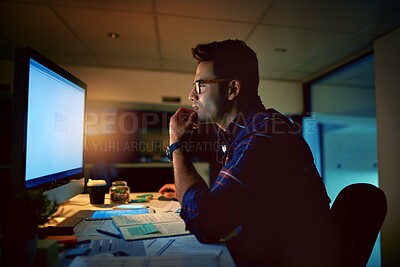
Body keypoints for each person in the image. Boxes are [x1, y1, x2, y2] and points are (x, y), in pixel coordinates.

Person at [160, 39, 334, 266]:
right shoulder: (239, 133)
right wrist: (189, 196)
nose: (192, 95)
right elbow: (230, 205)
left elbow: (207, 225)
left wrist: (176, 145)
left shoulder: (263, 136)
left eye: (201, 85)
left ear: (232, 89)